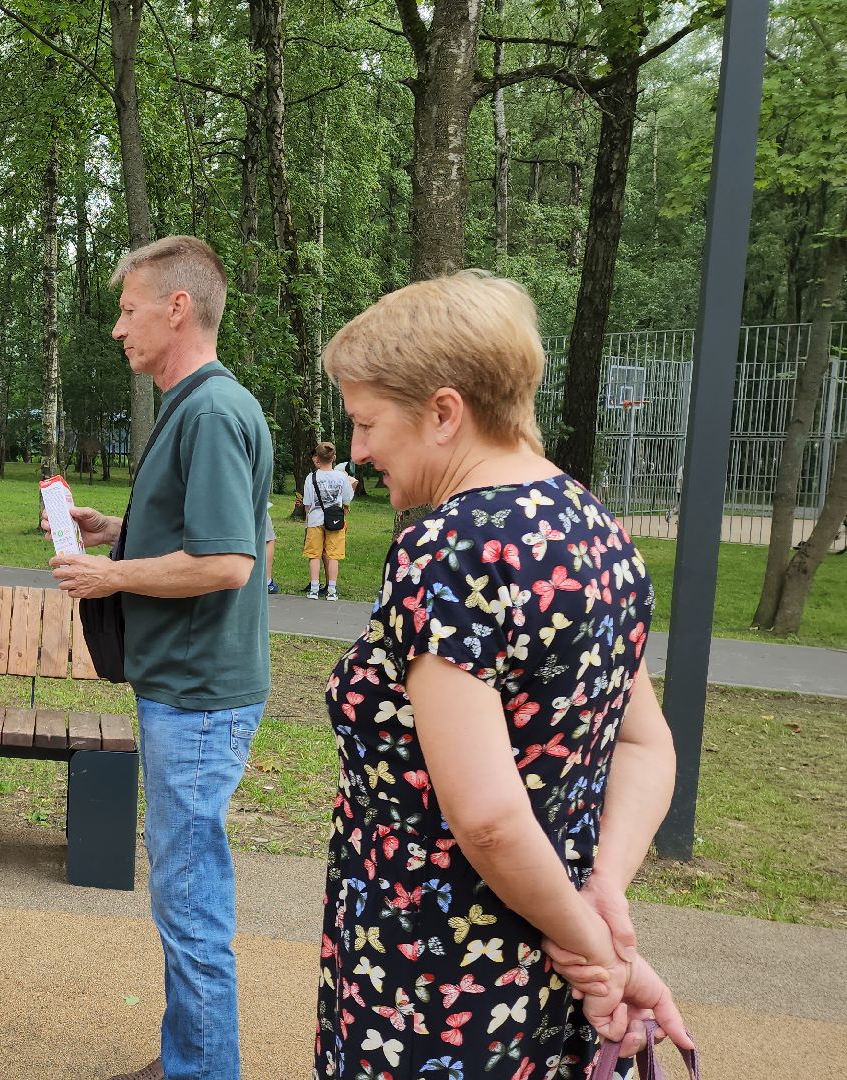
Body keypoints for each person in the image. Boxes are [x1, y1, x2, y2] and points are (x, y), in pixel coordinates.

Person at [316, 271, 692, 1080]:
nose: (359, 451)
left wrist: (599, 950)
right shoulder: (597, 530)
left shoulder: (450, 550)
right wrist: (602, 899)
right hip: (545, 960)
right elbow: (646, 745)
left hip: (432, 976)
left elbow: (486, 818)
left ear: (444, 412)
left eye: (367, 422)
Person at [47, 236, 273, 1080]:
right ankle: (192, 1054)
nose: (117, 329)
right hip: (188, 687)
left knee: (188, 898)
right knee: (184, 888)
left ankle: (204, 1072)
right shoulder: (198, 406)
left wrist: (109, 572)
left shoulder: (210, 411)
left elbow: (225, 562)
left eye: (128, 309)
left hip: (199, 695)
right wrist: (120, 532)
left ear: (177, 308)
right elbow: (203, 535)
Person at [302, 441, 354, 600]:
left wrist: (308, 517)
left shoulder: (311, 477)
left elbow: (307, 503)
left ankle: (314, 589)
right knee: (333, 556)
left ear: (317, 458)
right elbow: (347, 498)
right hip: (335, 521)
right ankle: (332, 590)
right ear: (334, 457)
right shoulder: (341, 476)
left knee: (314, 555)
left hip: (315, 520)